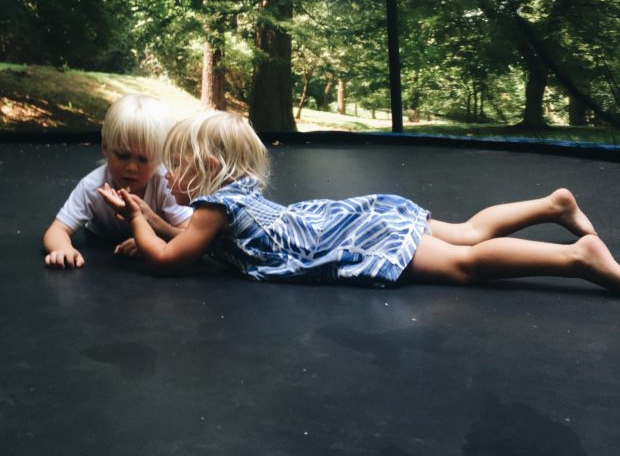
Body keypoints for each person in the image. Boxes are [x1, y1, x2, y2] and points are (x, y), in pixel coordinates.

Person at [99, 110, 620, 293]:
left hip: (347, 240)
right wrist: (145, 217)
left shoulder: (214, 208)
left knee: (463, 264)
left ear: (208, 169)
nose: (167, 174)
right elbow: (188, 242)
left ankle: (576, 259)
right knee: (465, 231)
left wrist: (140, 230)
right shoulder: (224, 204)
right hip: (353, 218)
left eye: (176, 164)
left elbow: (170, 261)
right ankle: (552, 205)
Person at [43, 94, 193, 269]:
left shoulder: (166, 185)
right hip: (99, 247)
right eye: (122, 155)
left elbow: (190, 235)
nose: (131, 167)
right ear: (105, 148)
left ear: (161, 160)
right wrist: (63, 248)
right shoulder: (92, 186)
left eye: (143, 160)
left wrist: (151, 241)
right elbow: (56, 230)